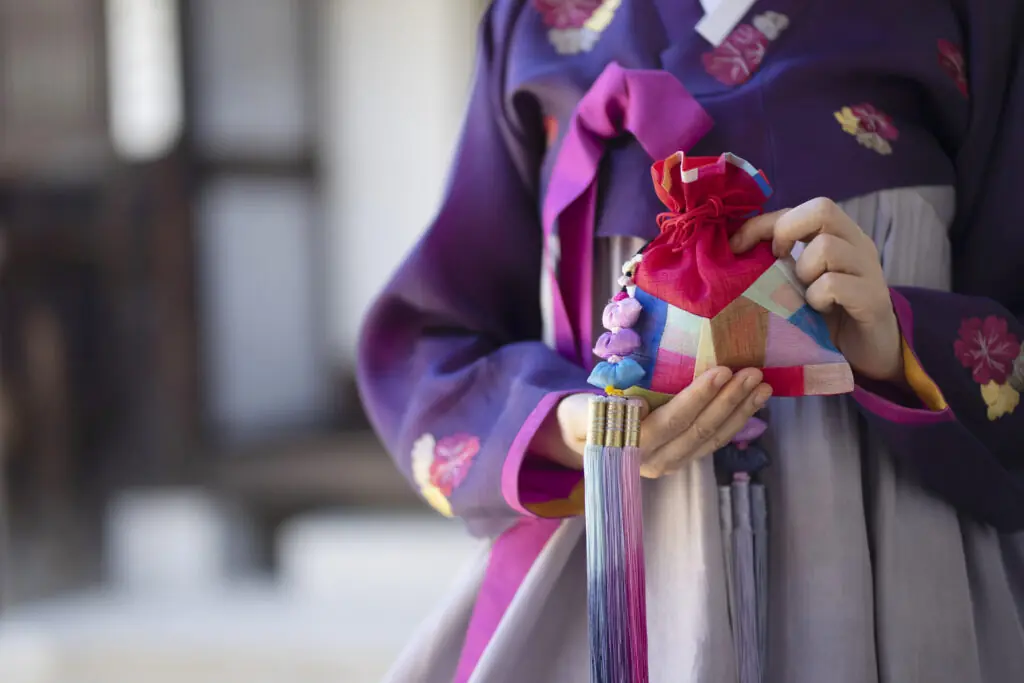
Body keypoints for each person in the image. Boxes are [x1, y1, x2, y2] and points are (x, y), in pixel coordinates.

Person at [357, 1, 1024, 681]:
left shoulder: (968, 16)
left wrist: (901, 342)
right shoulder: (537, 22)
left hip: (899, 574)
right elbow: (431, 341)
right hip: (622, 577)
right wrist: (574, 426)